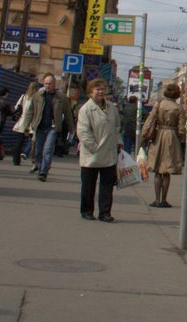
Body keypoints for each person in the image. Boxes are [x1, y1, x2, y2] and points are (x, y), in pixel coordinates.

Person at [77, 78, 122, 222]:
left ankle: (105, 212)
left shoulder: (112, 108)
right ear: (90, 93)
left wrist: (118, 142)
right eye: (97, 89)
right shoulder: (85, 109)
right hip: (92, 154)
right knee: (88, 185)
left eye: (102, 89)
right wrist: (94, 147)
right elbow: (83, 131)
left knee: (107, 186)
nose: (101, 92)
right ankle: (87, 211)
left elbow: (116, 128)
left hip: (109, 152)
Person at [21, 73, 74, 181]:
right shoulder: (37, 96)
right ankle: (40, 168)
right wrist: (25, 125)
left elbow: (68, 113)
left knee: (48, 150)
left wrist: (71, 128)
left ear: (54, 84)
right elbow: (30, 111)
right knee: (39, 150)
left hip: (53, 128)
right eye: (46, 83)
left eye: (50, 83)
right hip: (40, 127)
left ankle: (44, 172)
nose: (47, 85)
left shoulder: (61, 97)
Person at [145, 83, 187, 208]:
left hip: (158, 136)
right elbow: (181, 129)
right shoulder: (179, 108)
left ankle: (156, 199)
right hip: (171, 137)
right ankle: (164, 200)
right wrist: (181, 137)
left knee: (158, 170)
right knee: (167, 170)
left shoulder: (158, 105)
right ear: (177, 94)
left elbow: (149, 121)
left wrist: (144, 137)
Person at [11, 81, 39, 165]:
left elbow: (17, 107)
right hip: (33, 122)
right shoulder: (37, 98)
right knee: (34, 141)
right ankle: (34, 160)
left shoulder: (24, 97)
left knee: (19, 141)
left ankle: (16, 160)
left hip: (22, 122)